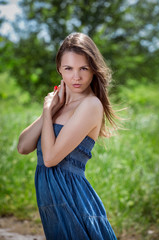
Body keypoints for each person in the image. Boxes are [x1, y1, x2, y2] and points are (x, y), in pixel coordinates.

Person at [17, 32, 118, 240]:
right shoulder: (59, 105)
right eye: (68, 69)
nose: (76, 77)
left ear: (93, 69)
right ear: (59, 70)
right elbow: (23, 147)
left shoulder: (90, 105)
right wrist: (52, 110)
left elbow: (50, 158)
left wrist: (47, 112)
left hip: (73, 200)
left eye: (84, 68)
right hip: (53, 200)